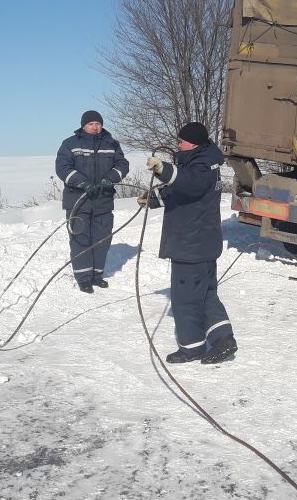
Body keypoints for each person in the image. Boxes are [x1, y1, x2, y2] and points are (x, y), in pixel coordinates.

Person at [143, 121, 237, 364]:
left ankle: (191, 347)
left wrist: (164, 169)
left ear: (193, 143)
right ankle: (223, 339)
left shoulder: (201, 166)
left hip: (191, 246)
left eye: (181, 140)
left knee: (185, 299)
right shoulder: (203, 162)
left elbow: (190, 183)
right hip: (202, 244)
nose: (178, 144)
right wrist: (154, 199)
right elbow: (184, 191)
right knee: (205, 295)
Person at [55, 110, 129, 293]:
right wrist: (82, 182)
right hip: (78, 201)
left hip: (103, 201)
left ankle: (97, 275)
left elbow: (122, 165)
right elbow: (62, 168)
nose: (95, 127)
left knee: (102, 239)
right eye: (91, 124)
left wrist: (110, 178)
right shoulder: (70, 144)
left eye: (98, 124)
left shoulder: (111, 143)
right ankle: (83, 278)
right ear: (83, 126)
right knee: (80, 239)